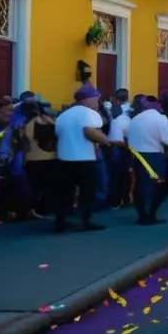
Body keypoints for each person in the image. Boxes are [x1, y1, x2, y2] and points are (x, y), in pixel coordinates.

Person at [54, 84, 120, 232]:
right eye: (96, 99)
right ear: (86, 99)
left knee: (65, 193)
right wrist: (107, 141)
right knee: (88, 193)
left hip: (63, 160)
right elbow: (90, 132)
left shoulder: (63, 115)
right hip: (85, 160)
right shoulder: (89, 114)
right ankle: (85, 221)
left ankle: (61, 222)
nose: (98, 102)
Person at [128, 97, 168, 225]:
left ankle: (142, 214)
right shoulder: (161, 119)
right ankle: (150, 215)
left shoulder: (135, 119)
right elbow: (166, 140)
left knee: (140, 186)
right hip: (153, 156)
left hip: (136, 155)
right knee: (159, 186)